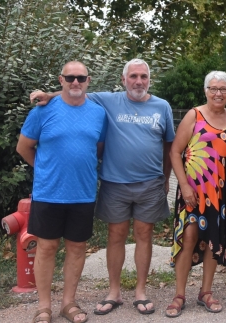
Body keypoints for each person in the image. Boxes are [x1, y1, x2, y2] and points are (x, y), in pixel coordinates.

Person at [30, 58, 175, 316]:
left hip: (150, 184)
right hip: (114, 183)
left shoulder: (162, 106)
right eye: (133, 76)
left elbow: (169, 146)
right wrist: (49, 94)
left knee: (144, 235)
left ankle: (140, 291)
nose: (138, 81)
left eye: (143, 76)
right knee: (115, 236)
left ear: (149, 80)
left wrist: (165, 179)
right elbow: (75, 89)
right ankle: (114, 292)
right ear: (123, 80)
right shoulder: (108, 100)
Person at [18, 61, 107, 323]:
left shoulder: (98, 113)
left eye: (81, 78)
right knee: (46, 248)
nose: (75, 83)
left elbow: (98, 149)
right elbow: (24, 148)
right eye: (70, 78)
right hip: (48, 193)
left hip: (83, 193)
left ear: (88, 81)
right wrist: (45, 168)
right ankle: (43, 306)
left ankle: (68, 303)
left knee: (77, 248)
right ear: (61, 80)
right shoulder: (42, 111)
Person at [165, 71, 226, 318]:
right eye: (213, 88)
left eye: (223, 89)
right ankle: (179, 294)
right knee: (189, 235)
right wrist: (184, 185)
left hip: (221, 193)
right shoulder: (195, 115)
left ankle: (205, 292)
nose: (218, 93)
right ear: (206, 91)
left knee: (215, 237)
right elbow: (175, 152)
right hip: (193, 190)